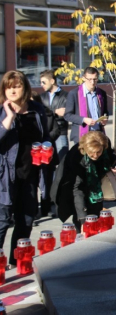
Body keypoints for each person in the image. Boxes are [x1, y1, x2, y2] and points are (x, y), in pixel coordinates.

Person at [0, 71, 52, 267]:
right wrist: (9, 119)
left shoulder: (37, 109)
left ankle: (16, 262)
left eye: (17, 86)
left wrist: (47, 145)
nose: (12, 90)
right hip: (5, 177)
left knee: (26, 220)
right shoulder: (1, 111)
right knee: (3, 221)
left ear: (25, 88)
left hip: (30, 173)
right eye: (8, 86)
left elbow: (45, 135)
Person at [51, 131, 116, 232]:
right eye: (92, 153)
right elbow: (76, 189)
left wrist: (114, 161)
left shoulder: (104, 143)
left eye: (99, 152)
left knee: (96, 217)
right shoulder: (76, 157)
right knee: (83, 225)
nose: (95, 156)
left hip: (95, 187)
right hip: (74, 187)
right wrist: (83, 219)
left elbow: (110, 153)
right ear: (86, 149)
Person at [32, 91, 60, 217]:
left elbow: (56, 130)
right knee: (33, 183)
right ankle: (32, 209)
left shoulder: (47, 113)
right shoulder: (26, 116)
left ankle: (46, 208)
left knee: (46, 182)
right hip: (32, 155)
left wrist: (47, 140)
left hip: (46, 153)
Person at [64, 67, 108, 143]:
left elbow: (105, 111)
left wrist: (105, 119)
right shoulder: (74, 93)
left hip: (98, 133)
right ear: (83, 78)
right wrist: (84, 119)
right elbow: (67, 115)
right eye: (89, 79)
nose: (92, 82)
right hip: (82, 135)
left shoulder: (101, 93)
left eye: (95, 79)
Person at [40, 69, 69, 160]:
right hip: (46, 132)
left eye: (44, 82)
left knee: (62, 162)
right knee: (47, 162)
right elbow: (41, 112)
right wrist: (55, 111)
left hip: (61, 132)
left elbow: (66, 113)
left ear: (52, 81)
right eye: (41, 82)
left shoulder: (65, 95)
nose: (41, 85)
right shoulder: (42, 97)